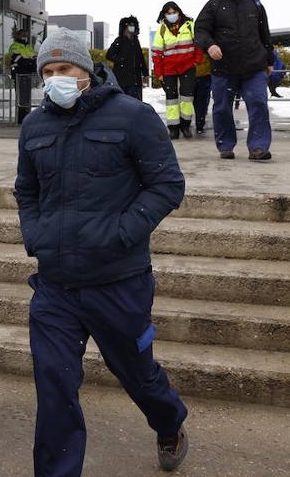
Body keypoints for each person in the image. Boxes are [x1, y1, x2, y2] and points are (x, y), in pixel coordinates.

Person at [14, 30, 189, 476]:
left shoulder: (133, 116)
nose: (56, 79)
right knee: (54, 386)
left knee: (137, 372)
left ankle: (169, 422)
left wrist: (121, 233)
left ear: (86, 72)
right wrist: (35, 235)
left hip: (118, 281)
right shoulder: (34, 126)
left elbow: (167, 185)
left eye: (65, 69)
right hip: (55, 286)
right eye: (48, 72)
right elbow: (26, 190)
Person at [194, 0, 275, 161]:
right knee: (222, 107)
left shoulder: (255, 2)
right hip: (224, 68)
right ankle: (226, 145)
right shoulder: (214, 4)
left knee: (258, 102)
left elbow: (265, 33)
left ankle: (258, 147)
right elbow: (200, 29)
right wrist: (210, 45)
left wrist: (269, 59)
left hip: (253, 66)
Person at [151, 2, 203, 140]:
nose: (172, 15)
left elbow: (199, 43)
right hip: (169, 69)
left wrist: (196, 60)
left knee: (187, 97)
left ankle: (185, 125)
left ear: (179, 12)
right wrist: (159, 73)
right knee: (171, 99)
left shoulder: (190, 25)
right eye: (169, 13)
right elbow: (156, 53)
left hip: (188, 67)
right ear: (164, 15)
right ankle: (173, 128)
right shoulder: (161, 30)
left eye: (174, 12)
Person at [105, 15, 149, 101]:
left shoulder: (136, 41)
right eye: (129, 25)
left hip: (135, 79)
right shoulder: (119, 40)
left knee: (136, 102)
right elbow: (109, 55)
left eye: (133, 25)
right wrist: (120, 60)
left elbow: (140, 57)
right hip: (122, 78)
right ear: (125, 27)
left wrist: (145, 72)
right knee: (124, 101)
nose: (131, 27)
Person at [8, 27, 38, 124]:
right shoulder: (15, 46)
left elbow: (34, 59)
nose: (25, 37)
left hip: (27, 74)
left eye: (26, 35)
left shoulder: (28, 46)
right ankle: (21, 119)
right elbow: (17, 59)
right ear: (18, 36)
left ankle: (26, 117)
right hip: (19, 74)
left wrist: (29, 61)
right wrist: (28, 60)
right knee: (21, 97)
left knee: (27, 97)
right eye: (23, 35)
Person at [192, 52, 212, 136]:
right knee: (193, 102)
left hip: (204, 74)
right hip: (189, 74)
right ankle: (198, 124)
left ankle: (200, 124)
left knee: (201, 102)